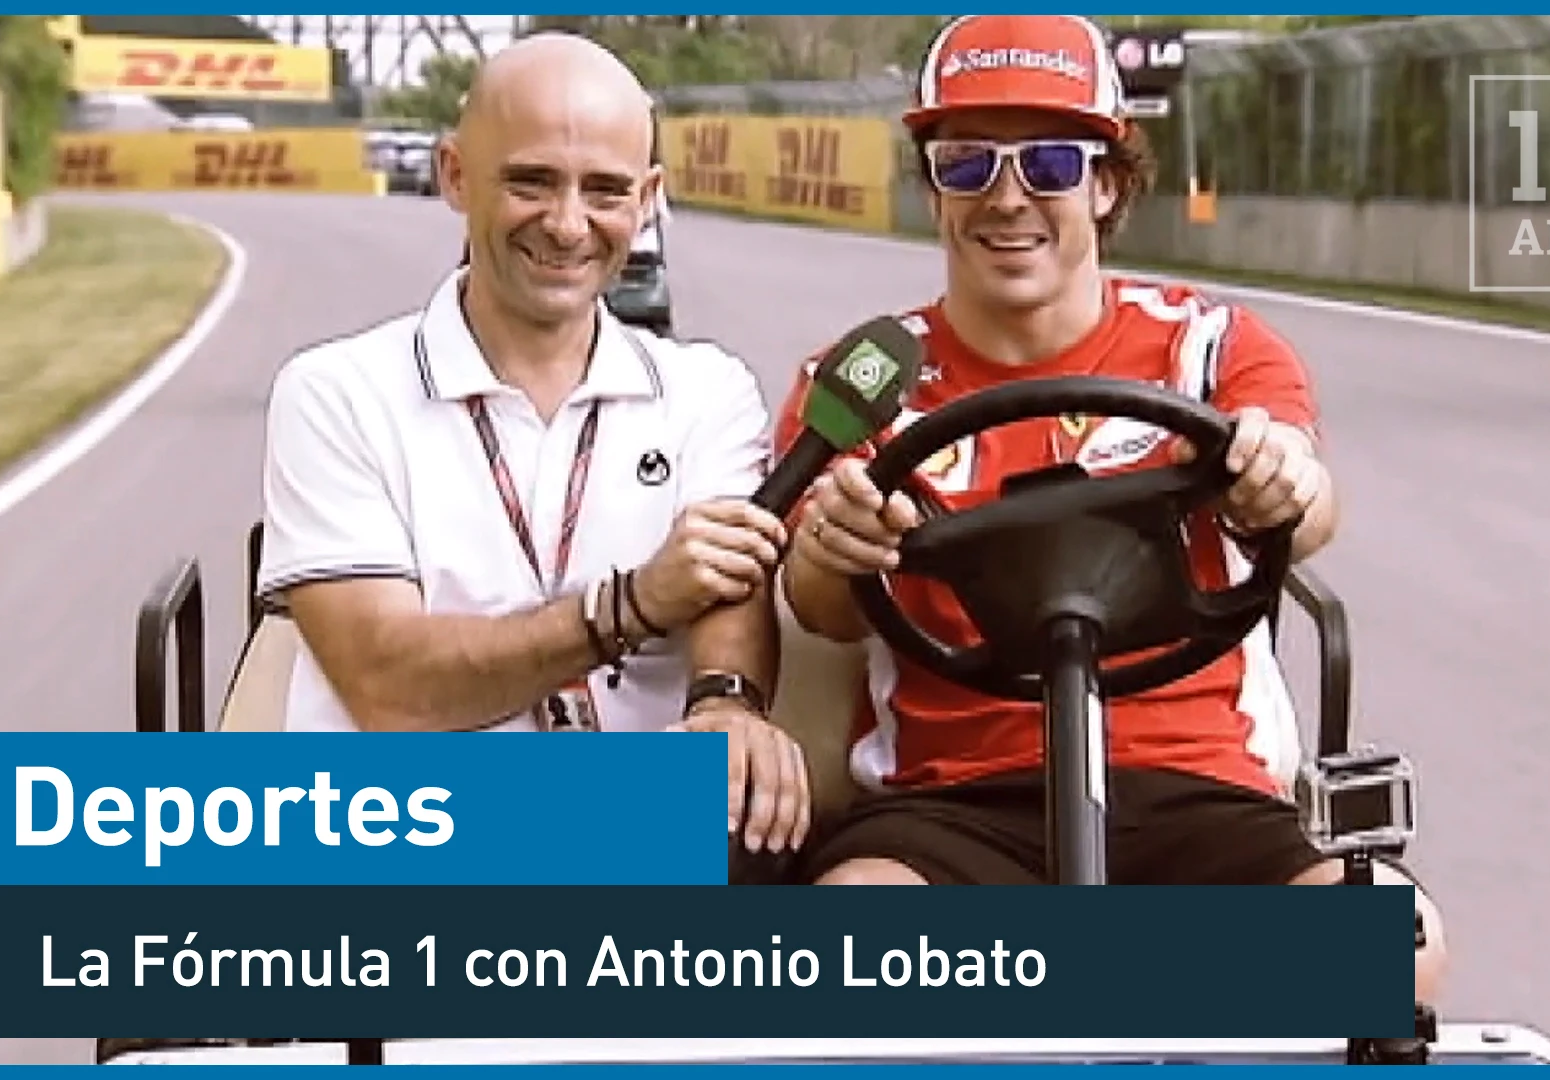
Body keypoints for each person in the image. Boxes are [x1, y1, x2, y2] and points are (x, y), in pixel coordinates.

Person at [769, 14, 1446, 1004]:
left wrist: (1282, 482)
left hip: (1198, 786)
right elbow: (822, 609)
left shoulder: (1210, 350)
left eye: (1049, 162)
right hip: (958, 802)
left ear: (1107, 182)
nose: (1008, 199)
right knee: (839, 954)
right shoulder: (862, 382)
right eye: (966, 165)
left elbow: (1309, 502)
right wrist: (834, 545)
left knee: (1394, 947)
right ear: (932, 187)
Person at [255, 33, 812, 856]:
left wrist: (725, 703)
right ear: (454, 174)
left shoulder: (707, 390)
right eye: (531, 181)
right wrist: (628, 604)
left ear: (649, 197)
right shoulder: (335, 391)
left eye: (606, 190)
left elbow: (729, 587)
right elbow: (389, 689)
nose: (567, 224)